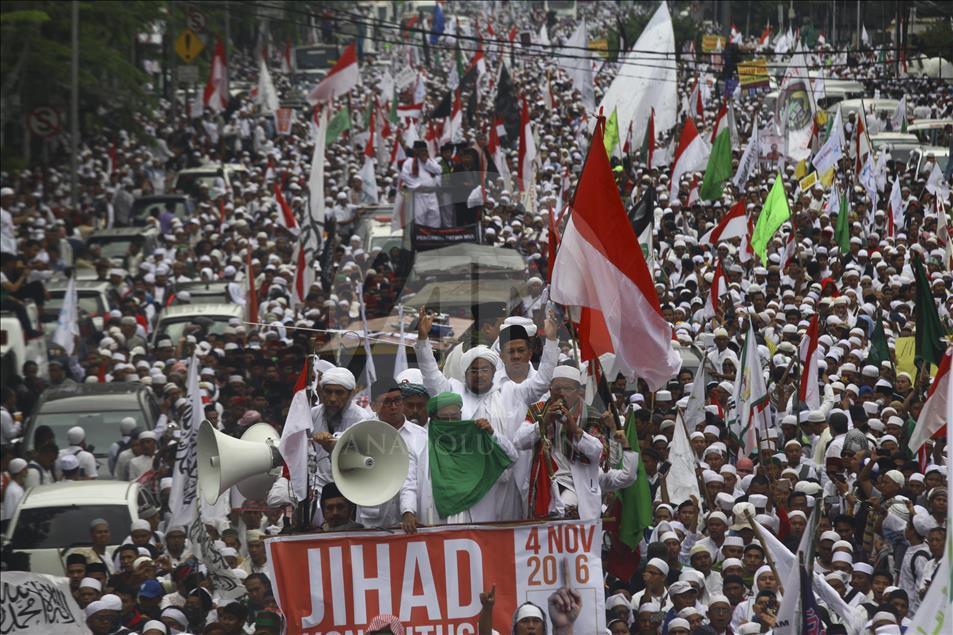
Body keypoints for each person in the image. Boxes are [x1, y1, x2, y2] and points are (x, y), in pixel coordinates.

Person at [401, 140, 442, 228]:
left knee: (435, 218)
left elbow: (439, 170)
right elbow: (405, 176)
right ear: (415, 150)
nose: (423, 152)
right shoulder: (409, 162)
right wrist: (418, 186)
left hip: (432, 194)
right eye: (421, 150)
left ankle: (432, 239)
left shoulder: (431, 161)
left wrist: (426, 162)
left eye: (424, 150)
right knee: (419, 220)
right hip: (419, 194)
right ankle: (421, 239)